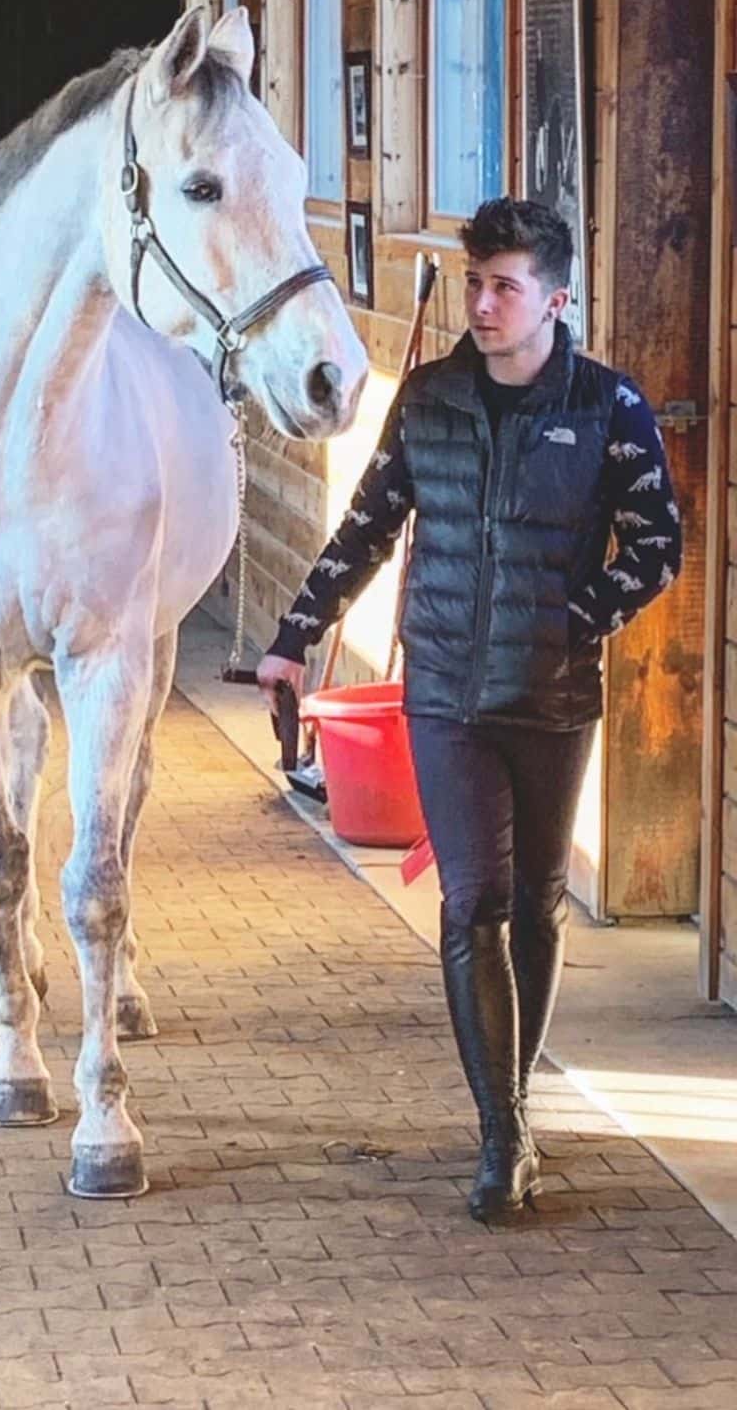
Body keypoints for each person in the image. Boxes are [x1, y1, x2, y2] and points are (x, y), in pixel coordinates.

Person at [257, 197, 682, 1223]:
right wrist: (290, 636)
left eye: (504, 286)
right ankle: (502, 1136)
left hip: (552, 693)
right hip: (444, 691)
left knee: (535, 900)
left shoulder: (609, 408)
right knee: (471, 900)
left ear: (554, 299)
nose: (484, 303)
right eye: (476, 282)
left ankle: (518, 1102)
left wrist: (580, 616)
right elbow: (365, 526)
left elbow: (658, 546)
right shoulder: (433, 402)